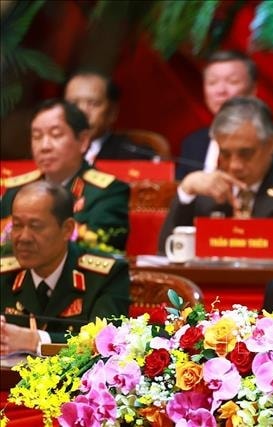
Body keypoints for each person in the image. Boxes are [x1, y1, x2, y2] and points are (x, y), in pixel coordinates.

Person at [159, 97, 273, 258]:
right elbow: (168, 250)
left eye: (246, 153)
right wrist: (186, 192)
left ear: (271, 144)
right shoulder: (206, 188)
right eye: (225, 154)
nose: (234, 165)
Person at [0, 181, 129, 355]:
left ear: (67, 229)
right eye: (17, 225)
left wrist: (35, 340)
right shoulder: (5, 272)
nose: (23, 237)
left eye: (35, 226)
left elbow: (108, 345)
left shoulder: (106, 276)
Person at [0, 99, 130, 251]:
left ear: (82, 141)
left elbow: (103, 249)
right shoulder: (17, 191)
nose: (44, 146)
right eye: (37, 137)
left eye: (56, 135)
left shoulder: (107, 192)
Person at [176, 50, 273, 180]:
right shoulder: (192, 142)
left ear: (252, 90)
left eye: (232, 81)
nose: (221, 90)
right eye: (212, 82)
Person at [64, 69, 157, 163]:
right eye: (73, 104)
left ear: (112, 112)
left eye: (93, 104)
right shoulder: (51, 151)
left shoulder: (135, 156)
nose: (82, 112)